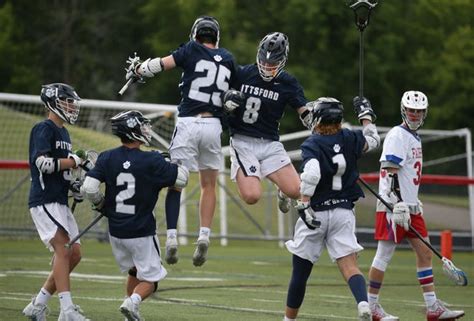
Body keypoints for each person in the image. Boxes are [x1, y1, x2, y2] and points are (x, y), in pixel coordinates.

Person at [125, 15, 238, 266]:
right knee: (209, 185)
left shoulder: (190, 49)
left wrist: (138, 69)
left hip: (188, 123)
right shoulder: (228, 58)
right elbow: (234, 94)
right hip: (213, 125)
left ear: (195, 35)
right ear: (215, 37)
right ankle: (204, 236)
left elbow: (160, 65)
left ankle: (173, 238)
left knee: (176, 183)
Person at [81, 110, 189, 321]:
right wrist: (169, 163)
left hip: (116, 231)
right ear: (133, 130)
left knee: (134, 271)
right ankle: (132, 302)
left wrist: (102, 204)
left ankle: (129, 313)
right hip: (141, 231)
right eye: (142, 126)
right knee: (151, 280)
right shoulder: (151, 160)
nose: (146, 129)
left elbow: (89, 188)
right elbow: (182, 179)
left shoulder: (107, 157)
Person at [367, 91, 465, 321]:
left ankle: (433, 308)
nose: (415, 114)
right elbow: (390, 170)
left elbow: (408, 173)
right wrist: (398, 203)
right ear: (404, 110)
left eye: (419, 111)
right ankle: (372, 307)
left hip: (410, 207)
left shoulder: (414, 136)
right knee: (383, 255)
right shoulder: (398, 135)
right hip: (394, 207)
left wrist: (411, 201)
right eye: (411, 110)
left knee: (425, 252)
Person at [283, 96, 381, 321]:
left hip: (316, 211)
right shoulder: (350, 137)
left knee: (300, 273)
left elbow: (312, 173)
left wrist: (304, 204)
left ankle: (288, 319)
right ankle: (363, 303)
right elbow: (373, 140)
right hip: (343, 212)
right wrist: (366, 115)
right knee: (349, 266)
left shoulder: (312, 144)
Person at [221, 32, 312, 213]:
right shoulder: (242, 74)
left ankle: (282, 191)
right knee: (252, 196)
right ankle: (264, 175)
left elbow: (304, 112)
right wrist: (226, 105)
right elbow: (220, 100)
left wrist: (316, 123)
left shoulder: (287, 82)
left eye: (272, 63)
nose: (267, 66)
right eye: (264, 61)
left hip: (270, 142)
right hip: (242, 141)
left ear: (282, 61)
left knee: (297, 191)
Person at [23, 83, 90, 321]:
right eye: (67, 100)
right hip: (44, 200)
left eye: (72, 102)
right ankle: (67, 310)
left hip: (59, 199)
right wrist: (73, 161)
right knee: (63, 249)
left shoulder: (64, 133)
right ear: (53, 101)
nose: (72, 106)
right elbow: (44, 163)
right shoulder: (44, 128)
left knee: (75, 254)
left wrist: (74, 186)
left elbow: (61, 171)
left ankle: (38, 304)